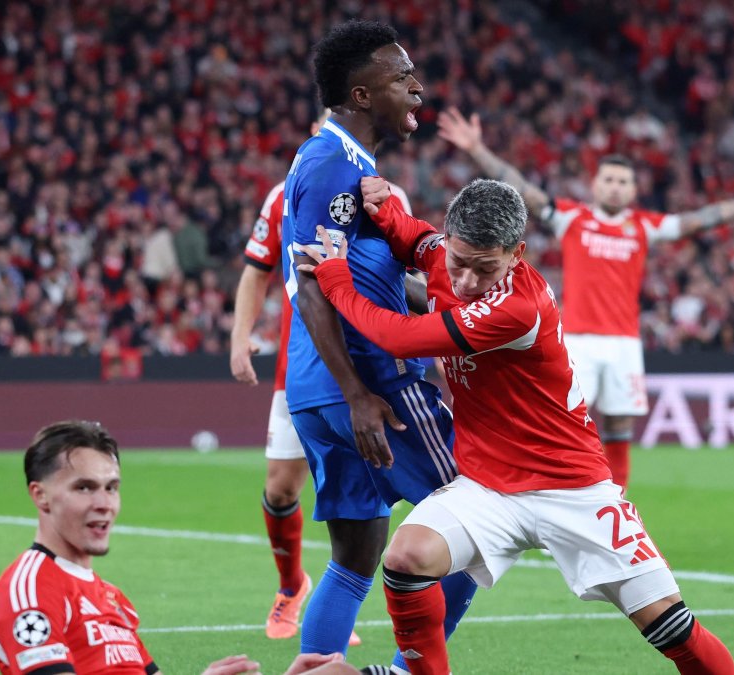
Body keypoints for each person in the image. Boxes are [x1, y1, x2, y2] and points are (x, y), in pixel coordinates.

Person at [297, 177, 734, 674]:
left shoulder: (517, 308)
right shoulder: (448, 254)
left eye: (483, 269)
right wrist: (385, 211)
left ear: (516, 254)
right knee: (406, 558)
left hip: (573, 488)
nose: (463, 281)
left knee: (672, 628)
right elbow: (418, 239)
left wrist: (334, 276)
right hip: (489, 488)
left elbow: (397, 337)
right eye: (458, 262)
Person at [437, 108, 734, 491]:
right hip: (578, 343)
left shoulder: (643, 227)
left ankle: (617, 504)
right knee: (561, 423)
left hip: (624, 344)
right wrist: (477, 150)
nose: (616, 187)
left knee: (621, 427)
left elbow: (701, 219)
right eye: (609, 179)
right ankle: (548, 495)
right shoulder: (572, 218)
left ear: (634, 190)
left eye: (624, 181)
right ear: (595, 184)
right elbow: (522, 188)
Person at [280, 20, 476, 665]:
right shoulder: (332, 164)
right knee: (480, 525)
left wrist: (460, 312)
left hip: (319, 393)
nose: (417, 88)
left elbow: (365, 279)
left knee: (354, 561)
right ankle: (404, 669)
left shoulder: (344, 163)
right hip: (372, 388)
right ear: (361, 96)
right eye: (402, 77)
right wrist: (358, 394)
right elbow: (313, 285)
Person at [231, 116, 423, 642]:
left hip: (364, 366)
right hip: (309, 369)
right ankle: (292, 585)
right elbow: (257, 269)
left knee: (374, 517)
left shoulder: (386, 194)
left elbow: (397, 276)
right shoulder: (287, 191)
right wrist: (239, 336)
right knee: (281, 486)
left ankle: (334, 616)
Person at [0, 419, 356, 675]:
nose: (105, 503)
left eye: (111, 488)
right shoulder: (30, 590)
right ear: (41, 496)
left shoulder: (112, 599)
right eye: (84, 488)